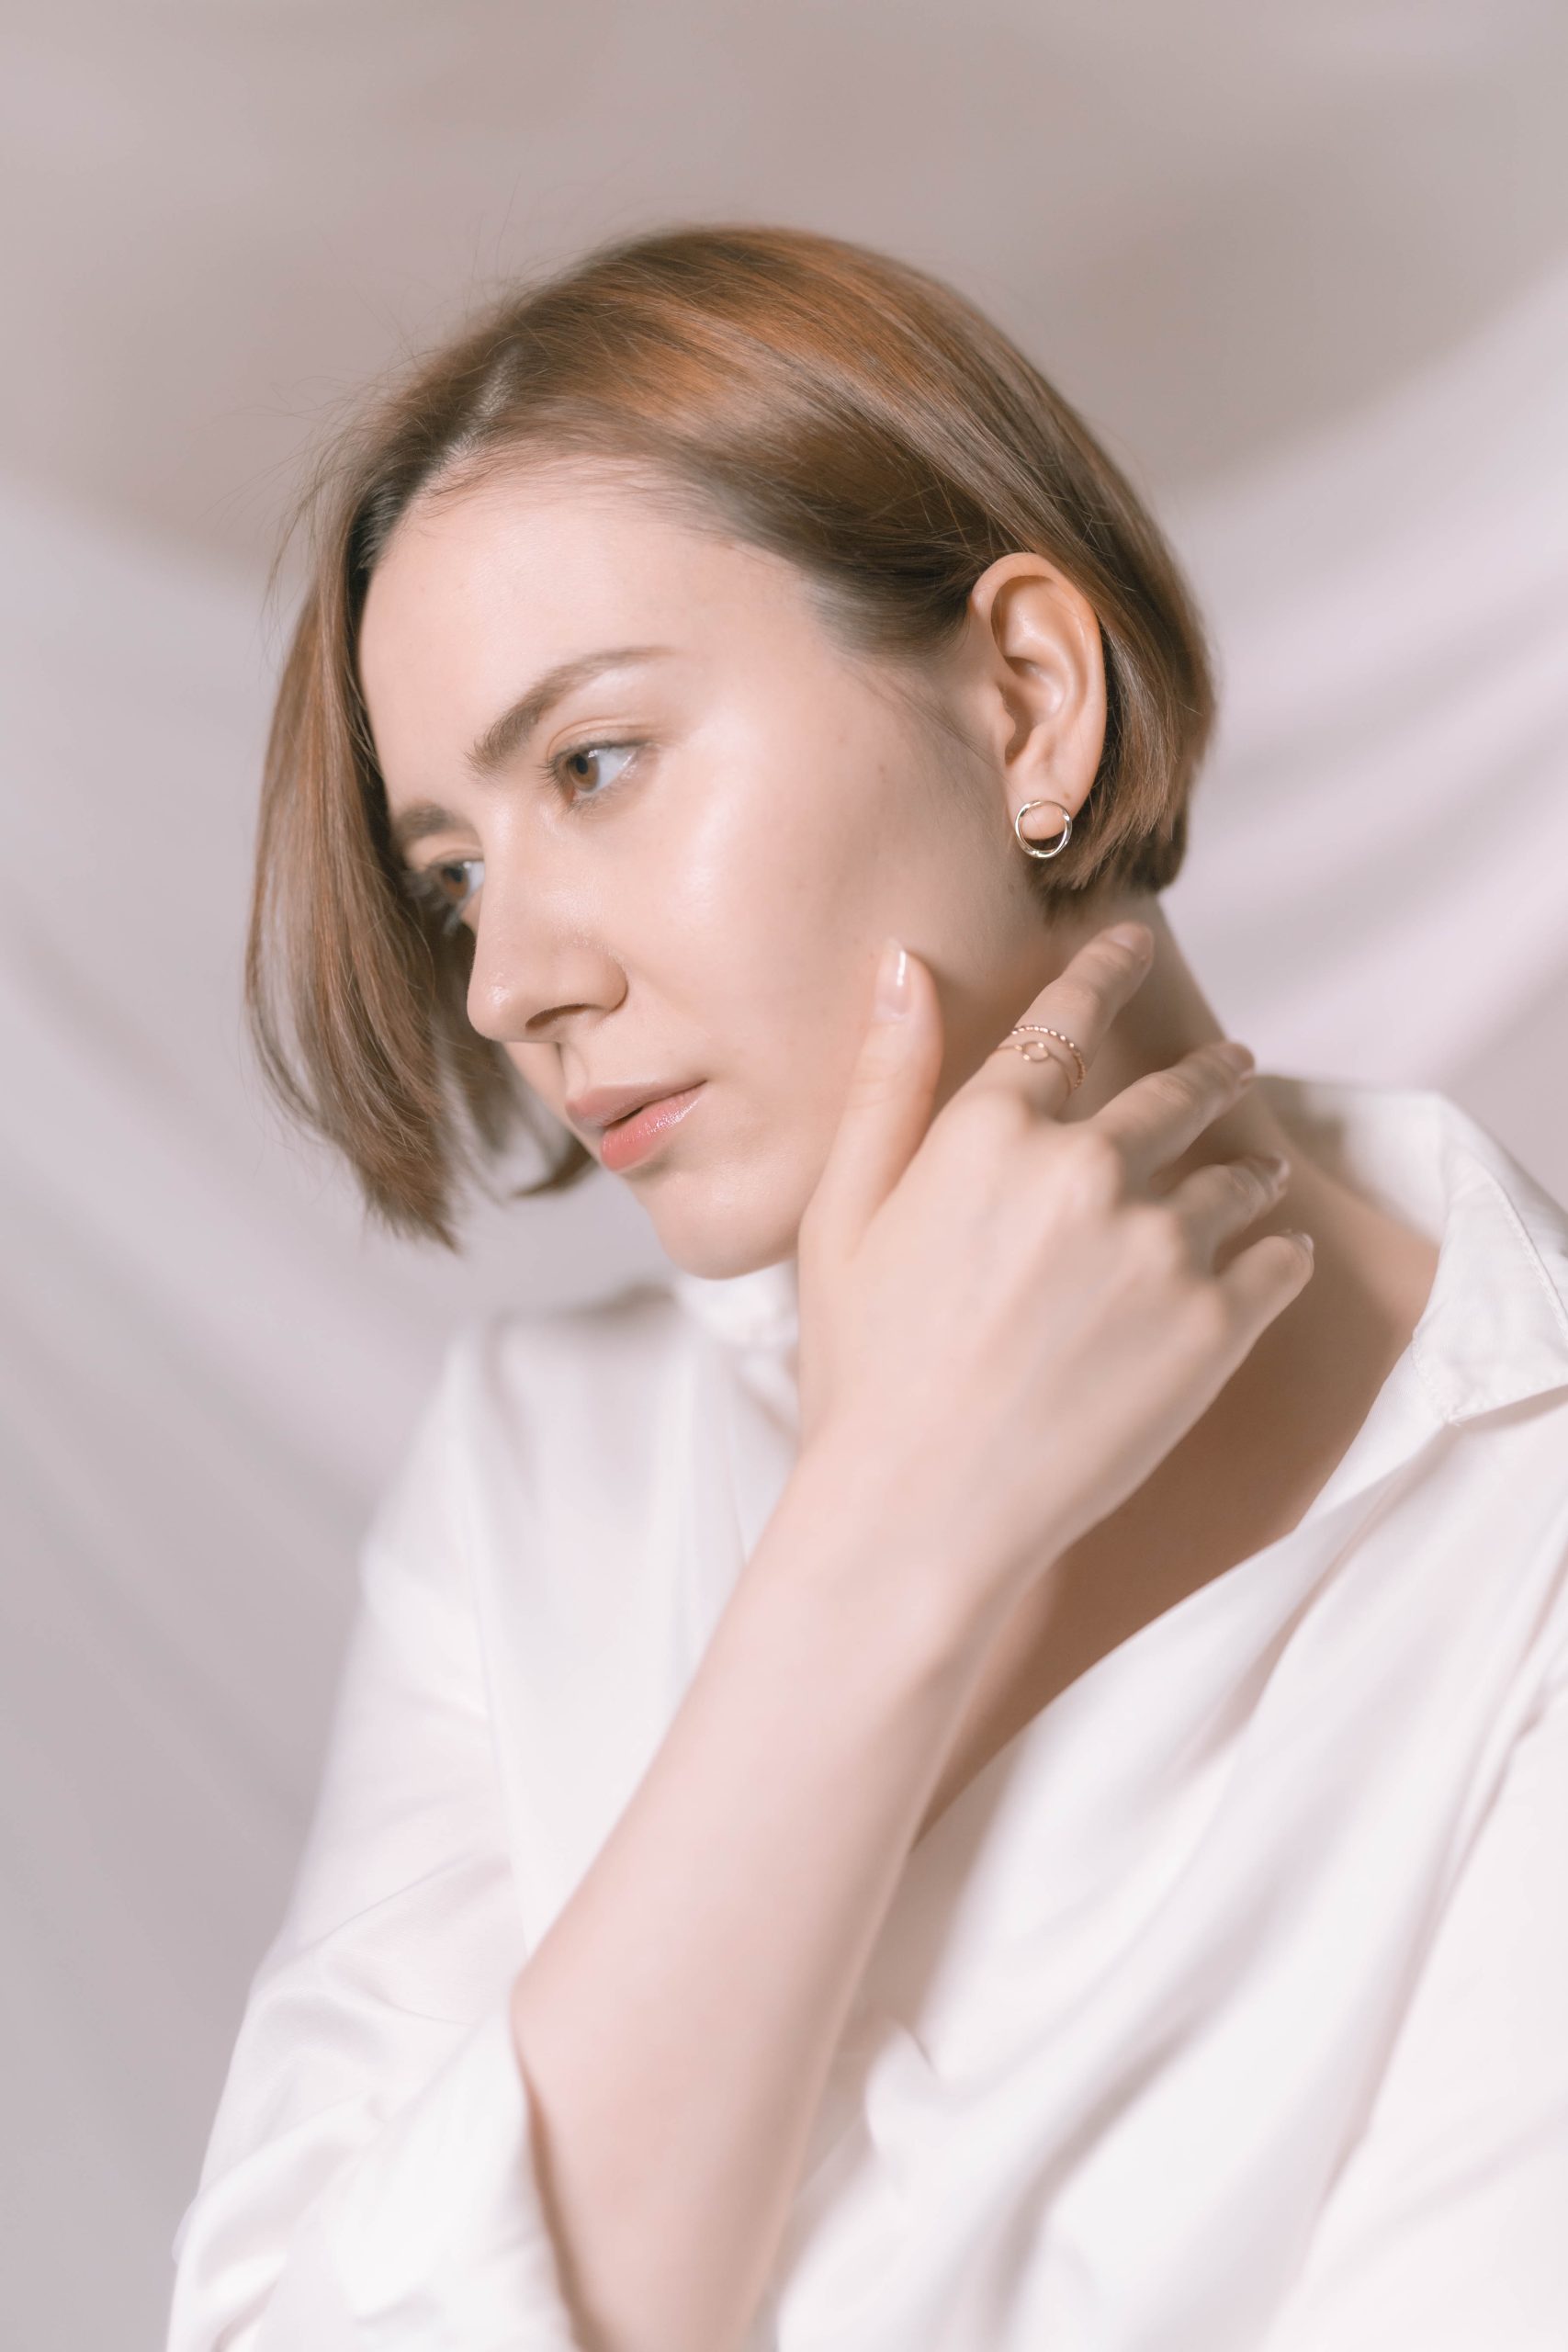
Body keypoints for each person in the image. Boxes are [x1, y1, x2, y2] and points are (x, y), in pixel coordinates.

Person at [167, 225, 1568, 2352]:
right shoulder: (539, 1468)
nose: (509, 978)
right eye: (451, 872)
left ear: (1025, 697)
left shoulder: (1519, 1538)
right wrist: (880, 1533)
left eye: (593, 764)